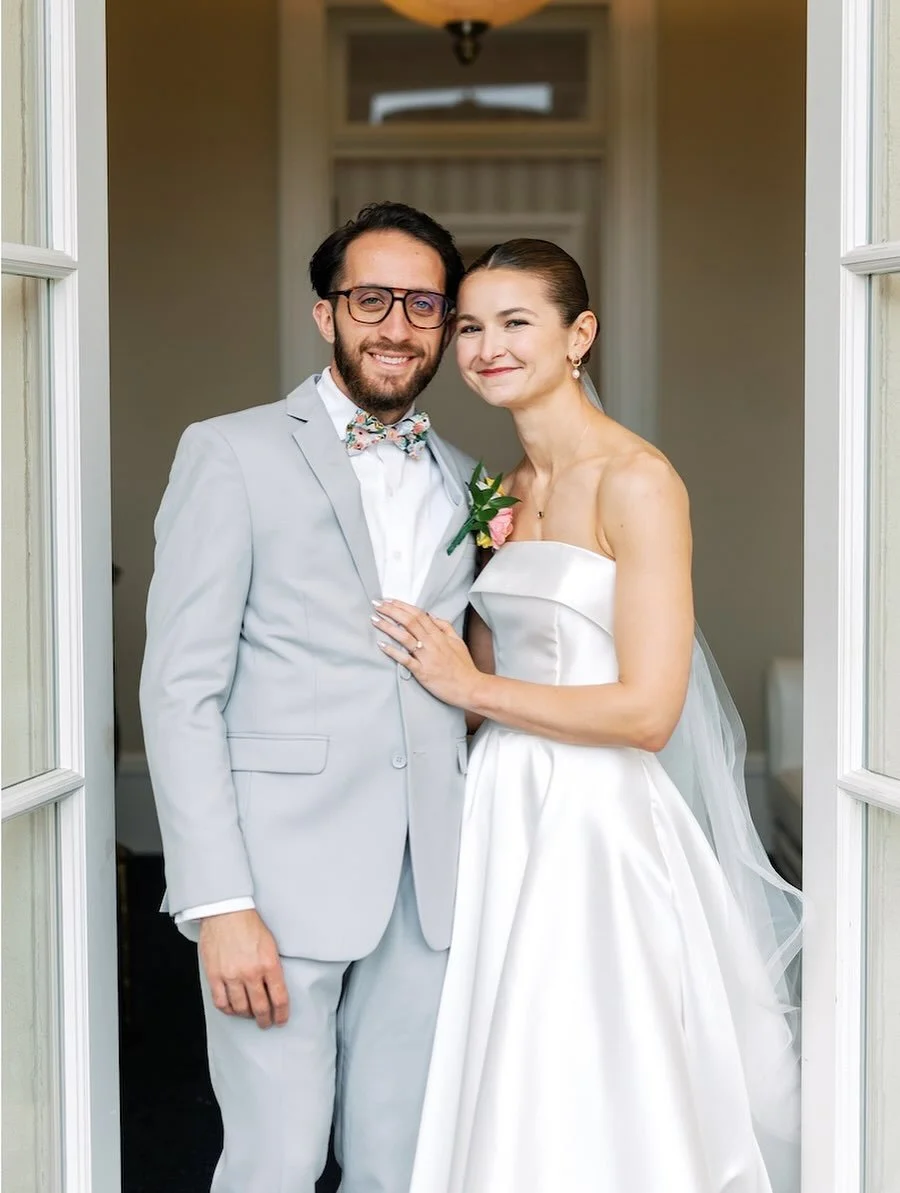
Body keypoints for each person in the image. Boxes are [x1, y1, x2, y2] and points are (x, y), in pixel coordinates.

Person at [374, 239, 803, 1193]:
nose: (486, 346)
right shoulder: (507, 489)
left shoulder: (637, 481)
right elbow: (492, 659)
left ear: (580, 335)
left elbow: (650, 709)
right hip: (502, 804)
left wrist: (469, 687)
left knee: (585, 1066)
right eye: (470, 325)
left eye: (515, 322)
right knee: (500, 1060)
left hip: (594, 822)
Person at [139, 202, 478, 1193]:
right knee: (275, 1162)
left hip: (432, 886)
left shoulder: (469, 480)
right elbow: (182, 686)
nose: (398, 325)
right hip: (276, 885)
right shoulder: (230, 451)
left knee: (400, 1161)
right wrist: (220, 901)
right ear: (326, 313)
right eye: (371, 298)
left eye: (424, 303)